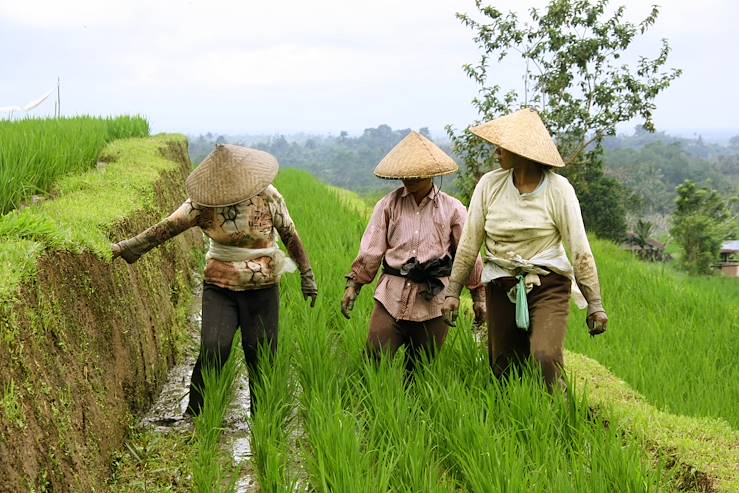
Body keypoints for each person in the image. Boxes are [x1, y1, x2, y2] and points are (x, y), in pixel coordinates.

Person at [112, 144, 317, 415]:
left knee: (261, 356)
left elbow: (290, 235)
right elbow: (167, 227)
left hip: (263, 288)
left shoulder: (268, 196)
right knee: (213, 348)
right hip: (220, 286)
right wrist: (127, 248)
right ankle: (195, 413)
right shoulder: (203, 203)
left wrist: (307, 275)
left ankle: (263, 419)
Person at [441, 108, 608, 391]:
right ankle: (514, 421)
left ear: (522, 152)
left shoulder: (559, 190)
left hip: (547, 282)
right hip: (500, 282)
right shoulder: (489, 185)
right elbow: (470, 243)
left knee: (545, 355)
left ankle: (561, 417)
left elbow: (579, 249)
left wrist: (595, 304)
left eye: (502, 146)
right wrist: (452, 292)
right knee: (503, 367)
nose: (496, 151)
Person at [341, 131, 485, 376]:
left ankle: (415, 414)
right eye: (405, 174)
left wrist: (479, 295)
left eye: (416, 174)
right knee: (374, 361)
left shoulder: (452, 209)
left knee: (422, 372)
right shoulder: (389, 205)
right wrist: (354, 286)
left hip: (434, 299)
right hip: (391, 296)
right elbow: (371, 249)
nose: (409, 179)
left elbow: (468, 253)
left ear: (430, 173)